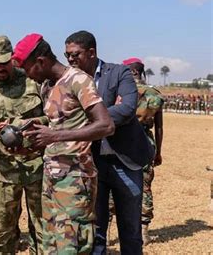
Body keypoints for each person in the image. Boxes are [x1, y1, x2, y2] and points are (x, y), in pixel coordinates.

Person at [12, 33, 114, 254]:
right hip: (52, 177)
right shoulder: (47, 86)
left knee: (72, 246)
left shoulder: (78, 80)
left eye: (28, 69)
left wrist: (54, 137)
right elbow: (55, 127)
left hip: (75, 179)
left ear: (41, 61)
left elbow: (106, 125)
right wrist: (30, 143)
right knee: (50, 244)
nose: (29, 76)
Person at [64, 30, 154, 254]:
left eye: (75, 54)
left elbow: (126, 109)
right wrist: (104, 113)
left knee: (130, 230)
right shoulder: (68, 81)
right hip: (92, 162)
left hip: (125, 161)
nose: (70, 60)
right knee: (96, 231)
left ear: (92, 52)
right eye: (67, 55)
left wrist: (89, 118)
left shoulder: (118, 73)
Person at [0, 35, 45, 254]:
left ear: (12, 58)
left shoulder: (34, 83)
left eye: (3, 62)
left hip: (36, 168)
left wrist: (30, 124)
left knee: (42, 229)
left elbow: (52, 118)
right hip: (4, 172)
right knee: (4, 232)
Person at [123, 57, 164, 245]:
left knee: (116, 181)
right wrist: (158, 152)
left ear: (132, 72)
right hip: (146, 142)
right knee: (145, 186)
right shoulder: (155, 94)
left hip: (123, 141)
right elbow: (159, 128)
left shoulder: (123, 92)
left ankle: (106, 231)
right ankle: (144, 231)